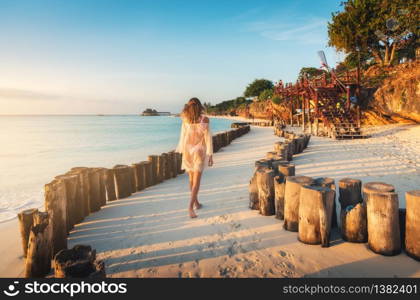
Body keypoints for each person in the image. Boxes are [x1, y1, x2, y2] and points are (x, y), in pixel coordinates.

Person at [176, 98, 213, 218]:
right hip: (199, 151)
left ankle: (196, 203)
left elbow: (182, 137)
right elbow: (208, 138)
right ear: (200, 106)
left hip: (188, 151)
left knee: (191, 179)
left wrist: (181, 151)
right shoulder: (205, 119)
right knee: (196, 182)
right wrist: (210, 154)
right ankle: (190, 207)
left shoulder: (185, 119)